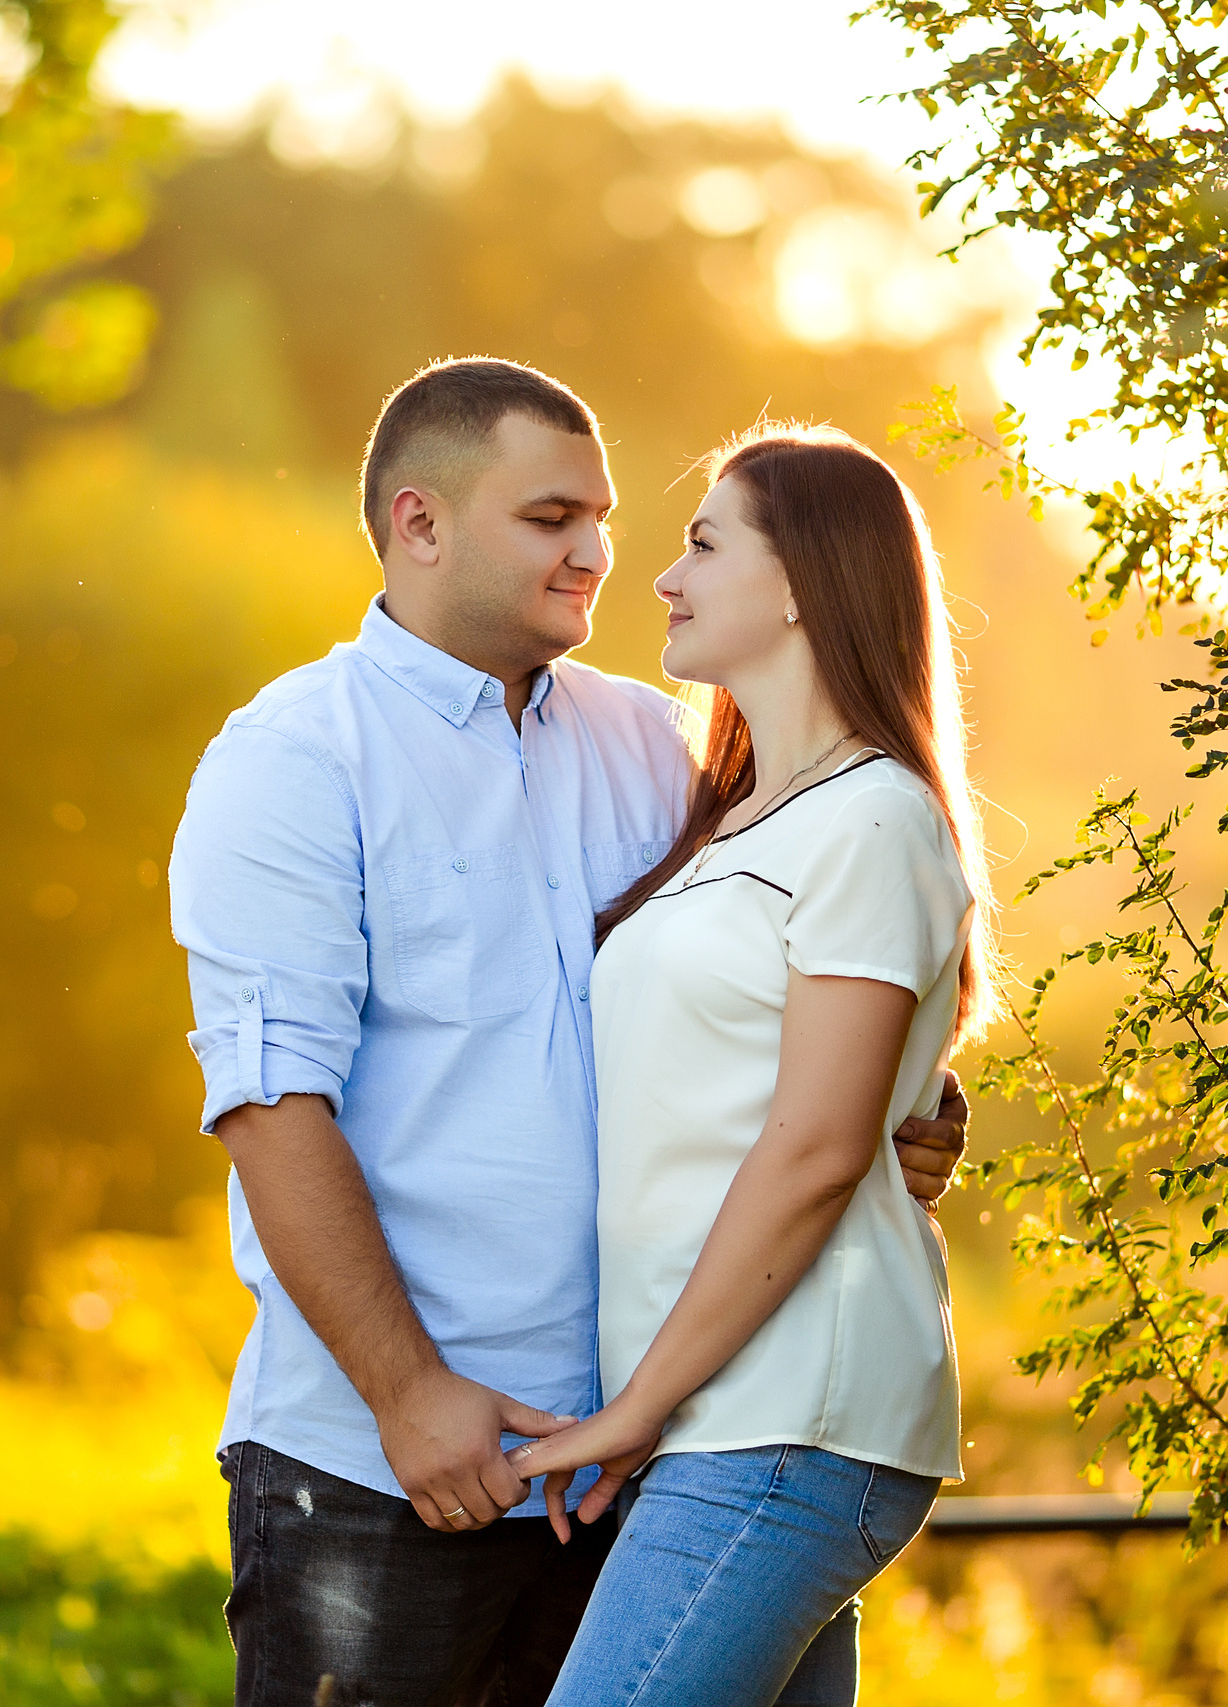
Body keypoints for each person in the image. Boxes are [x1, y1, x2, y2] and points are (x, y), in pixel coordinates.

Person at [168, 362, 972, 1707]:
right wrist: (408, 1389)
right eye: (553, 518)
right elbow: (269, 1102)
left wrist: (912, 1092)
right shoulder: (296, 755)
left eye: (604, 516)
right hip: (381, 1461)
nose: (601, 552)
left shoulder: (651, 741)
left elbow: (805, 968)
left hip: (630, 1453)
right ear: (419, 523)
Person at [507, 424, 996, 1707]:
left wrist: (632, 1411)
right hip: (722, 1417)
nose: (658, 578)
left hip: (788, 1413)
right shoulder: (732, 823)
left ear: (799, 584)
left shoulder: (876, 814)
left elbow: (821, 1147)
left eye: (702, 543)